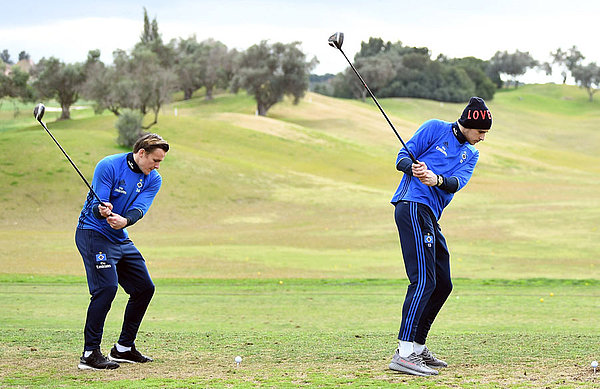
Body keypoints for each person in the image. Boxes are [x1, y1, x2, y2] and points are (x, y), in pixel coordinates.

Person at [388, 97, 492, 376]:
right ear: (470, 124)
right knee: (423, 279)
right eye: (481, 131)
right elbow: (401, 158)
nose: (483, 137)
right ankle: (405, 352)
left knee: (443, 283)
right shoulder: (434, 128)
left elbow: (456, 183)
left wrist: (436, 179)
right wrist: (414, 168)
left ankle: (418, 347)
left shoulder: (470, 154)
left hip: (430, 215)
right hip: (411, 205)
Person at [75, 133, 169, 370]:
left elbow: (140, 208)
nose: (157, 166)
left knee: (144, 288)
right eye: (155, 160)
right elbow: (97, 207)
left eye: (160, 162)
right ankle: (89, 354)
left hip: (119, 237)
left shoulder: (153, 179)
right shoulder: (109, 165)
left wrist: (124, 221)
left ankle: (123, 348)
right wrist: (103, 210)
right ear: (141, 153)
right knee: (106, 288)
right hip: (92, 232)